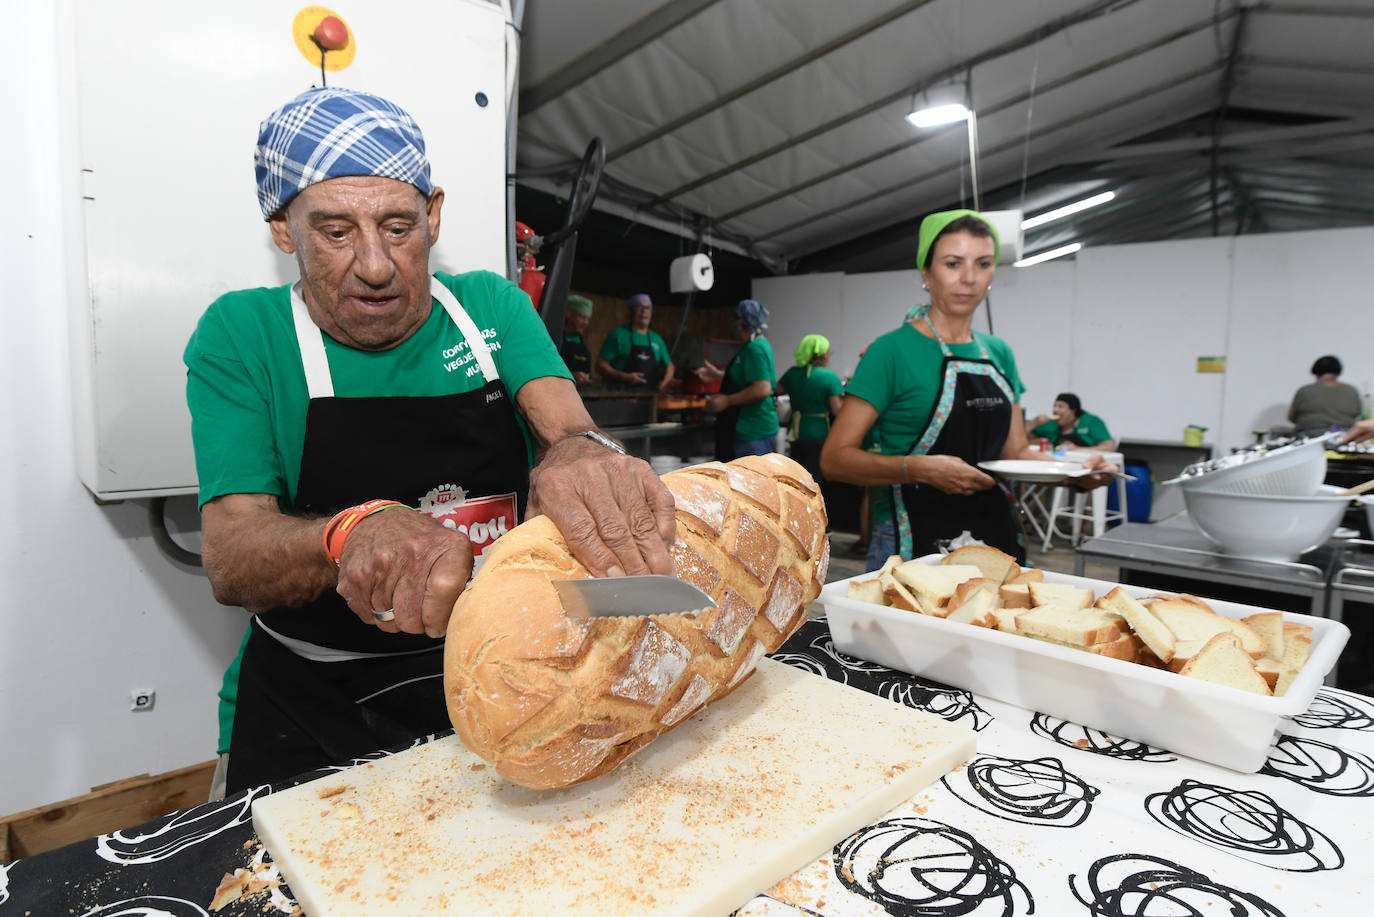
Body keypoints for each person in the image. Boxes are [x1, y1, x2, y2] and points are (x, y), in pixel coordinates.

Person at [183, 87, 676, 794]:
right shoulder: (244, 335)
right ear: (283, 230)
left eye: (397, 226)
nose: (377, 265)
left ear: (433, 214)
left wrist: (582, 451)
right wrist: (348, 533)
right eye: (335, 232)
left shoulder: (489, 308)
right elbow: (231, 554)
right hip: (311, 708)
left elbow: (568, 425)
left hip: (507, 682)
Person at [820, 209, 1112, 569]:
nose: (969, 278)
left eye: (983, 263)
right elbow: (834, 460)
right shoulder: (890, 352)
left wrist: (1077, 474)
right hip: (910, 540)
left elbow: (1016, 452)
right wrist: (923, 470)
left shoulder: (999, 353)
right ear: (926, 273)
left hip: (992, 536)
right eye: (953, 263)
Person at [697, 299, 780, 460]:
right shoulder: (757, 345)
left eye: (737, 323)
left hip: (752, 430)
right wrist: (717, 375)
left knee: (748, 482)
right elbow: (749, 377)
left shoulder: (755, 348)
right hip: (751, 429)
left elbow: (762, 388)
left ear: (742, 324)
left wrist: (727, 400)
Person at [776, 333, 844, 480]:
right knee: (815, 478)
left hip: (796, 432)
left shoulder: (792, 373)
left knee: (798, 476)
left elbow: (777, 390)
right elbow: (837, 409)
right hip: (818, 433)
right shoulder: (829, 377)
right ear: (824, 354)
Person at [595, 293, 676, 391]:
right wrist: (624, 376)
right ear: (631, 311)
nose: (644, 311)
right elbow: (600, 365)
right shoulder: (618, 334)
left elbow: (670, 366)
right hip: (619, 397)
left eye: (647, 308)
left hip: (649, 399)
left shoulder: (657, 339)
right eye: (640, 307)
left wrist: (664, 383)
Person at [1289, 355, 1363, 434]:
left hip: (1310, 437)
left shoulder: (1304, 391)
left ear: (1316, 372)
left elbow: (1291, 417)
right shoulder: (1350, 390)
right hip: (1344, 437)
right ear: (1338, 372)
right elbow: (1358, 414)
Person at [1026, 393, 1114, 449]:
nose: (1055, 410)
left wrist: (1078, 450)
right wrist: (1034, 422)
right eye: (1054, 406)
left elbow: (1109, 446)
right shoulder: (1051, 424)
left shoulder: (1091, 421)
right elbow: (1021, 437)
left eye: (1060, 406)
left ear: (1073, 410)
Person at [560, 294, 595, 384]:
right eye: (582, 317)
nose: (586, 323)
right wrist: (572, 375)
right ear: (569, 314)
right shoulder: (555, 337)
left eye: (588, 319)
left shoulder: (582, 342)